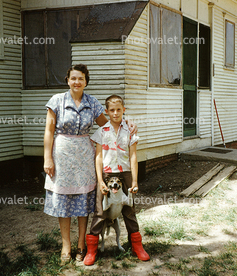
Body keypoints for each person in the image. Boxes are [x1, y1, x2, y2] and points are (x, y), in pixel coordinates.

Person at [43, 65, 136, 265]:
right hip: (62, 154)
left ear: (86, 81)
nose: (77, 82)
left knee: (83, 200)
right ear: (67, 80)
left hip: (85, 155)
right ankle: (65, 245)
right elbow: (49, 131)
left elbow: (108, 123)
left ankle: (81, 244)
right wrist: (47, 158)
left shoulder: (91, 102)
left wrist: (128, 123)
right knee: (64, 201)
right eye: (73, 78)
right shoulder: (57, 100)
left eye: (81, 78)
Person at [83, 94, 150, 266]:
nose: (115, 113)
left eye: (118, 110)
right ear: (106, 111)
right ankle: (92, 250)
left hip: (125, 174)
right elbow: (98, 157)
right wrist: (101, 181)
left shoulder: (130, 131)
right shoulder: (101, 132)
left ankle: (137, 246)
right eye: (111, 110)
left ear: (124, 110)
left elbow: (133, 156)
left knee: (129, 209)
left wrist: (134, 180)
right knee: (100, 211)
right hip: (106, 174)